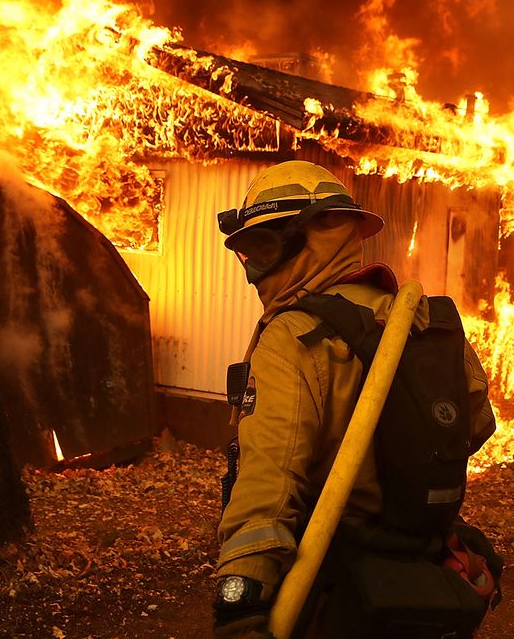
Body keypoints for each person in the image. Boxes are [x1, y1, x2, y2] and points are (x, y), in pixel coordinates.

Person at [212, 160, 499, 638]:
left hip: (330, 584)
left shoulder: (293, 335)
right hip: (422, 581)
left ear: (323, 232)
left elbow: (269, 479)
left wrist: (241, 597)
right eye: (247, 251)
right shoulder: (426, 319)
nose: (255, 269)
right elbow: (474, 426)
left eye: (264, 245)